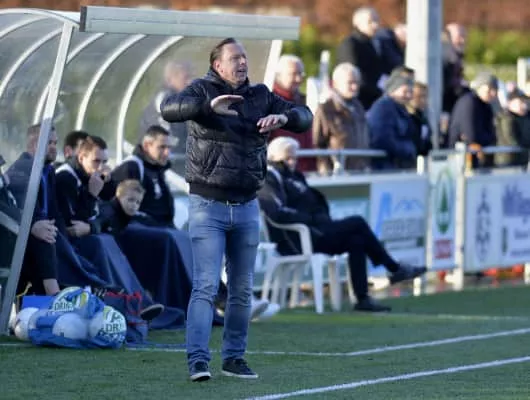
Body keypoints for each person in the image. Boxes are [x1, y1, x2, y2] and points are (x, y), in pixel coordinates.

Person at [160, 37, 313, 381]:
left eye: (244, 57)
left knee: (242, 289)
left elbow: (305, 117)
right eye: (235, 58)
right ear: (217, 65)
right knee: (205, 286)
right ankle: (198, 361)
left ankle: (234, 358)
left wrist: (285, 116)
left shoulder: (261, 95)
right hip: (207, 206)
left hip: (246, 205)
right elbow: (168, 108)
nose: (242, 62)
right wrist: (206, 107)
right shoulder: (201, 89)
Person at [259, 136, 426, 312]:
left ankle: (362, 299)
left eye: (295, 157)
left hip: (317, 232)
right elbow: (277, 212)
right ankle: (393, 268)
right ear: (275, 158)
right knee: (357, 222)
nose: (293, 162)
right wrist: (311, 219)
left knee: (356, 241)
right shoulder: (270, 177)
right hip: (299, 238)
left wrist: (317, 218)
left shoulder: (295, 176)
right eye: (288, 158)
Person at [6, 124, 62, 296]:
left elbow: (54, 212)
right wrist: (33, 224)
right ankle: (55, 296)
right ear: (33, 144)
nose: (53, 147)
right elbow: (17, 205)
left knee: (51, 232)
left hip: (39, 239)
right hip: (15, 240)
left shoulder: (47, 171)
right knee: (44, 234)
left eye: (55, 143)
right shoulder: (23, 168)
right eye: (49, 142)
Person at [313, 62, 370, 173]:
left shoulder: (358, 107)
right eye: (350, 83)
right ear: (336, 84)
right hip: (337, 173)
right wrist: (326, 172)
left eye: (357, 82)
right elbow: (318, 143)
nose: (355, 87)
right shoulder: (325, 109)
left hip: (360, 171)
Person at [267, 54, 315, 172]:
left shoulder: (303, 100)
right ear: (279, 75)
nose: (298, 79)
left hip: (304, 170)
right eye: (293, 74)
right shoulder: (268, 101)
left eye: (301, 74)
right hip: (280, 169)